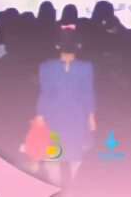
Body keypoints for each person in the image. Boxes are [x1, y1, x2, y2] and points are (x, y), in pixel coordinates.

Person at [34, 25, 95, 188]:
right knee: (75, 154)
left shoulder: (46, 66)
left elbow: (45, 93)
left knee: (53, 153)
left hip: (53, 114)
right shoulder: (86, 67)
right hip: (77, 115)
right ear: (79, 45)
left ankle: (53, 187)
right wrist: (91, 117)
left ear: (57, 45)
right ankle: (74, 188)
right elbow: (87, 93)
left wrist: (39, 116)